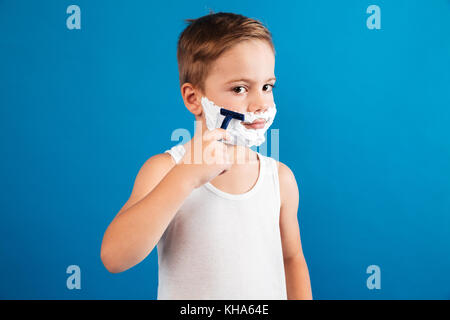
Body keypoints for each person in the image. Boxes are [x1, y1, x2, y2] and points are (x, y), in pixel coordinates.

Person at [100, 11, 312, 300]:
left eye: (267, 86)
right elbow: (115, 257)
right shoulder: (166, 170)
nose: (261, 103)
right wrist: (185, 177)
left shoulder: (280, 179)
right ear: (193, 99)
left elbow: (292, 259)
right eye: (240, 88)